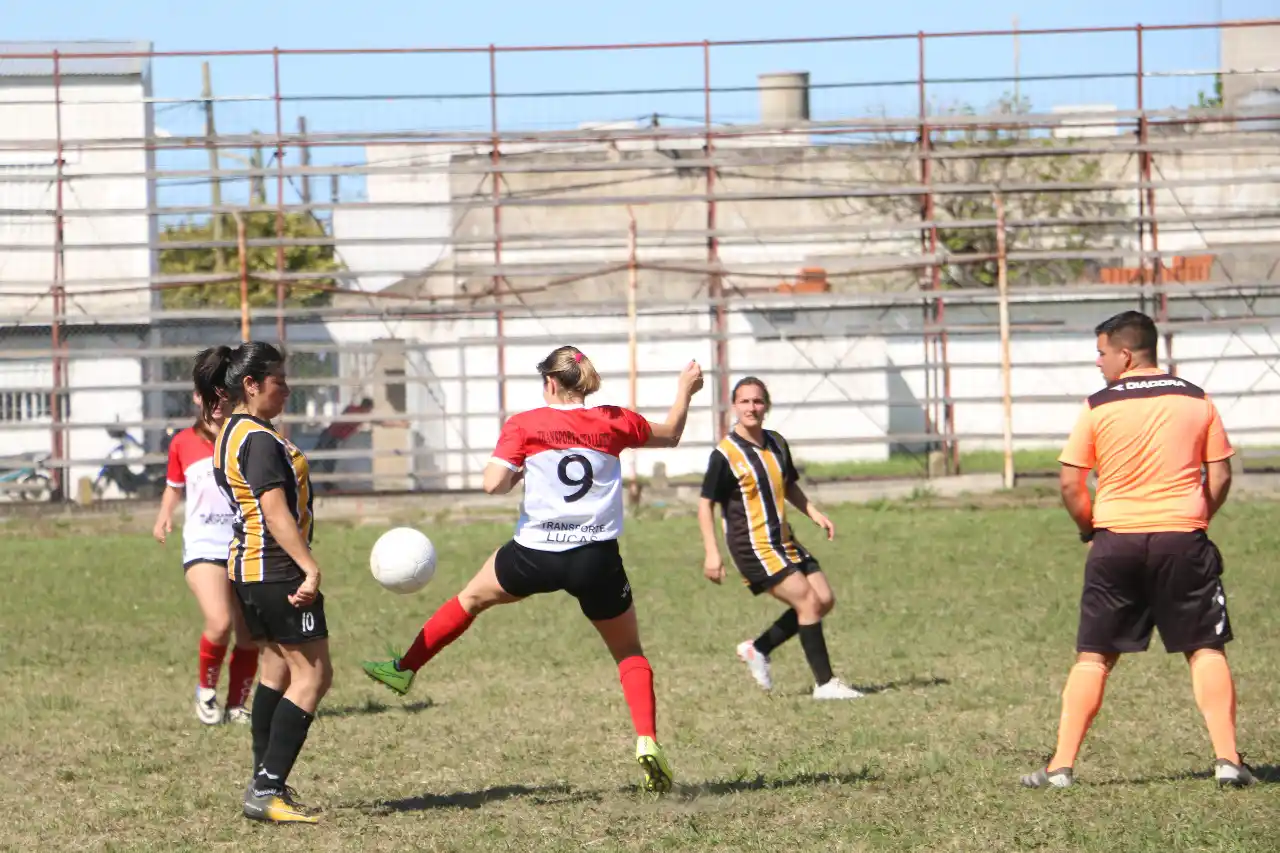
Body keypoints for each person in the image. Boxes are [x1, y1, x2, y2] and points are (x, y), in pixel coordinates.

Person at [362, 345, 704, 794]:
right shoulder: (615, 419)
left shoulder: (525, 424)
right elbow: (672, 433)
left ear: (549, 382)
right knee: (629, 653)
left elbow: (492, 484)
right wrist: (685, 390)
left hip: (534, 554)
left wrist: (521, 469)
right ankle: (647, 740)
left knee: (469, 600)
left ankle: (405, 668)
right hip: (594, 557)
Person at [1020, 310, 1254, 790]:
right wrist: (1198, 518)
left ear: (1125, 354)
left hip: (1115, 543)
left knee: (1095, 655)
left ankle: (1060, 767)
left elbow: (1070, 482)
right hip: (1182, 541)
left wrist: (1090, 526)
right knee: (1204, 648)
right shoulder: (1197, 399)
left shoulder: (1098, 406)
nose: (1099, 364)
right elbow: (1222, 474)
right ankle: (1229, 760)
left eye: (1102, 354)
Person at [196, 342, 334, 824]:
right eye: (279, 381)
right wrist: (309, 567)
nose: (288, 390)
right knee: (314, 676)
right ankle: (267, 788)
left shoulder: (233, 431)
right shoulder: (256, 438)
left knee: (276, 671)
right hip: (276, 568)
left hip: (248, 569)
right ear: (251, 385)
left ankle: (263, 779)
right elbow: (274, 512)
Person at [698, 376, 863, 700]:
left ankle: (758, 649)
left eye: (758, 401)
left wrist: (814, 513)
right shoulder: (726, 454)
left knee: (824, 599)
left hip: (783, 539)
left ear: (767, 406)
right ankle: (825, 684)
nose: (752, 407)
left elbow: (788, 486)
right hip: (752, 546)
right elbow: (706, 504)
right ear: (734, 406)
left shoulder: (776, 443)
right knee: (807, 601)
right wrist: (711, 553)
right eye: (744, 401)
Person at [153, 380, 258, 726]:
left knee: (249, 633)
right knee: (220, 621)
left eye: (222, 395)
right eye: (208, 395)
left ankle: (236, 705)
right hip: (203, 545)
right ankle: (206, 691)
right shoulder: (183, 442)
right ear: (197, 398)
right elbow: (173, 487)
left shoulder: (246, 439)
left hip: (244, 543)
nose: (216, 403)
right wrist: (165, 514)